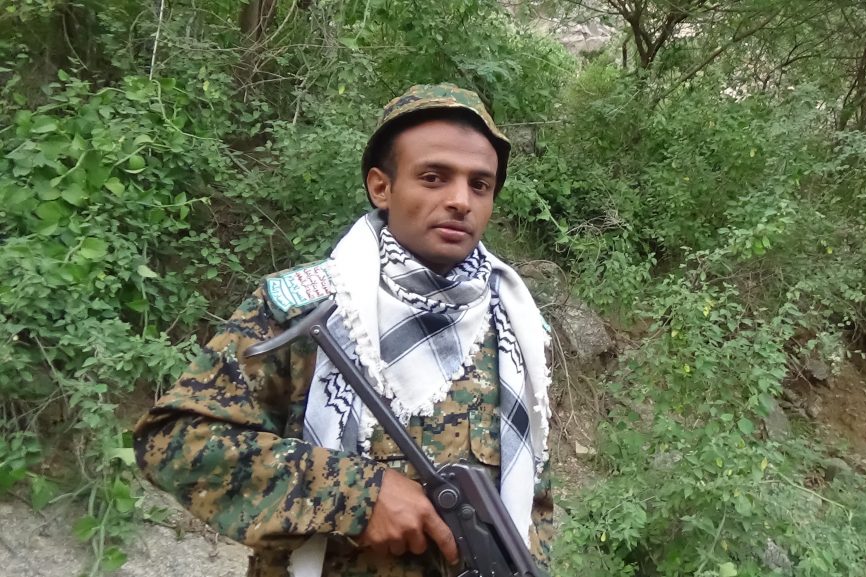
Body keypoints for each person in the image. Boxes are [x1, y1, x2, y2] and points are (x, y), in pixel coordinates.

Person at [134, 84, 554, 577]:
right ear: (381, 187)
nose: (460, 200)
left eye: (479, 185)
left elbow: (534, 500)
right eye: (433, 177)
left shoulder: (518, 325)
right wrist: (356, 495)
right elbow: (174, 443)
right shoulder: (307, 311)